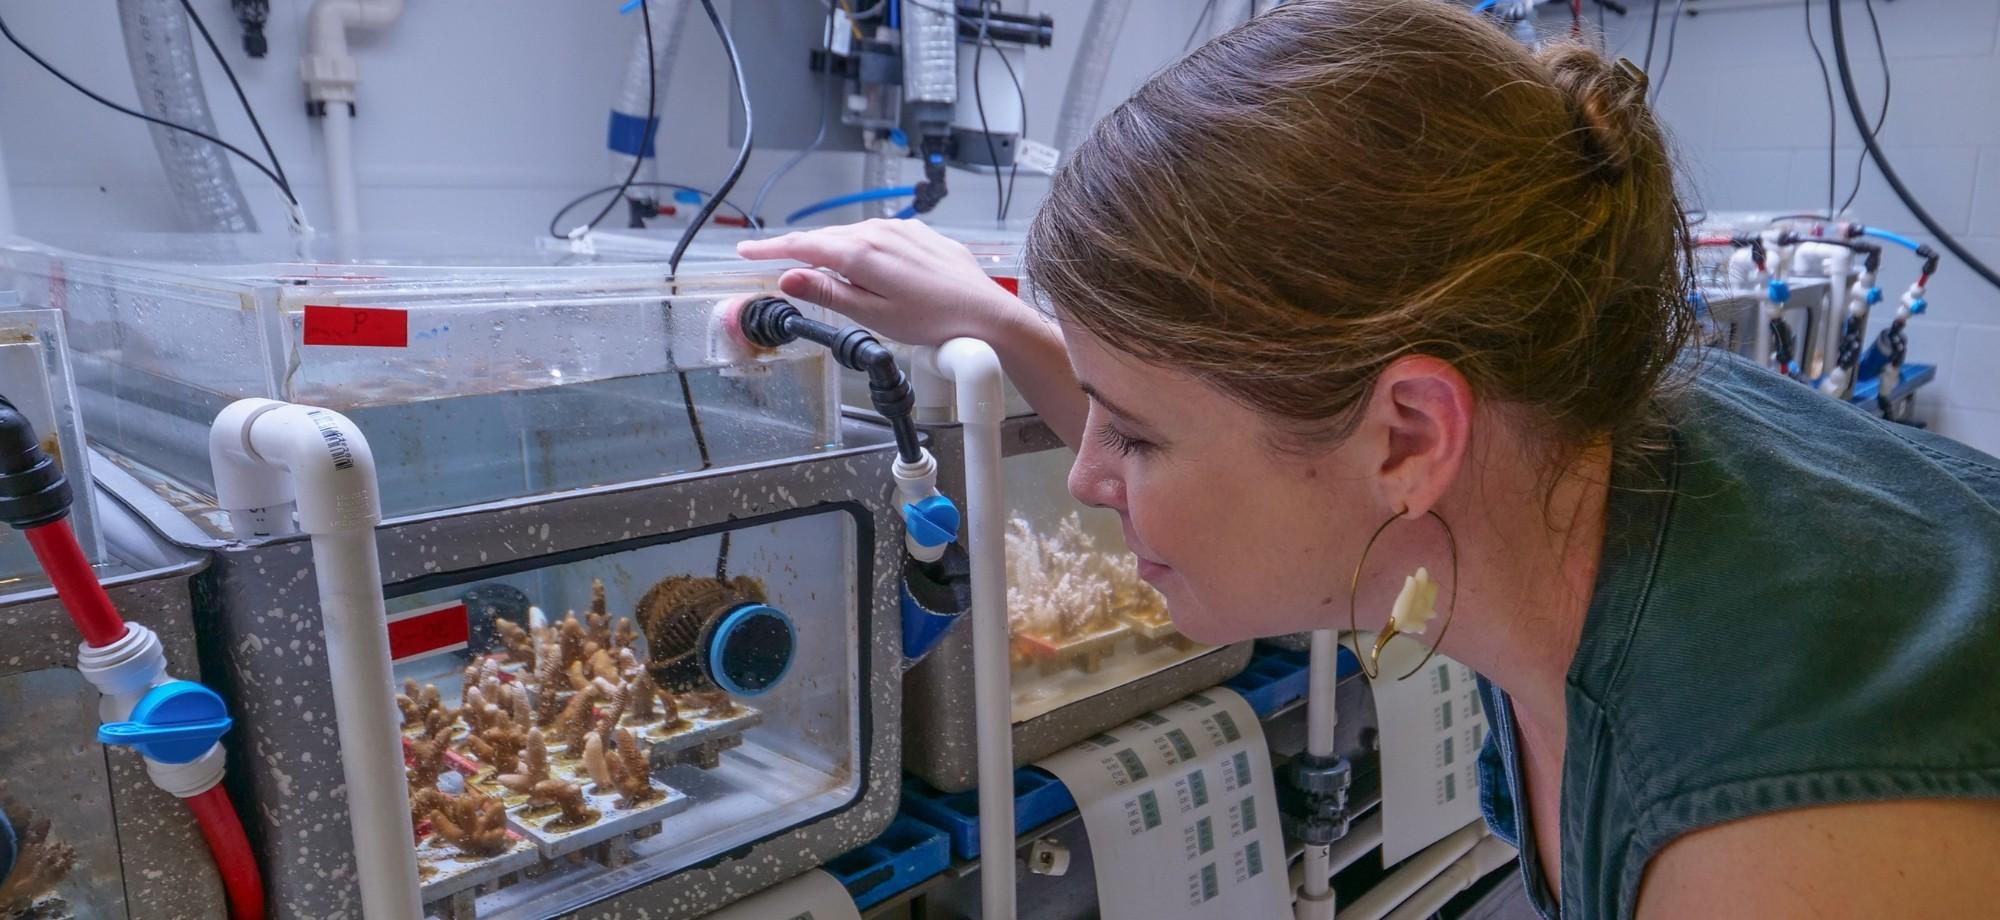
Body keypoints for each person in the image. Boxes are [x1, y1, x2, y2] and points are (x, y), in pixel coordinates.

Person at [739, 1, 2000, 917]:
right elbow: (1256, 456)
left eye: (1134, 432)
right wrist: (1009, 327)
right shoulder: (1580, 433)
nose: (1084, 477)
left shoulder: (1777, 838)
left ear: (1408, 435)